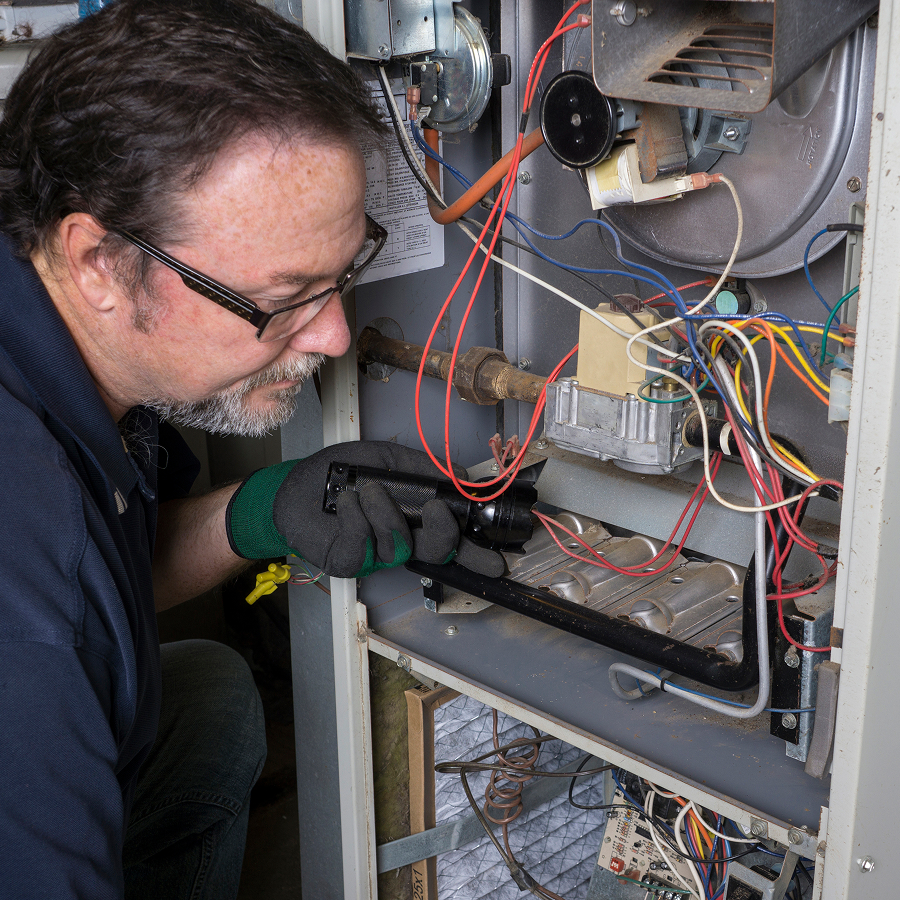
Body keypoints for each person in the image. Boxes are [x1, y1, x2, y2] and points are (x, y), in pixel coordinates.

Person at [0, 0, 501, 897]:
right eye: (284, 298)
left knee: (212, 700)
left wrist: (261, 510)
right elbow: (63, 594)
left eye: (342, 275)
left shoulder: (49, 312)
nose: (334, 337)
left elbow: (111, 572)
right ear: (99, 262)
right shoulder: (26, 582)